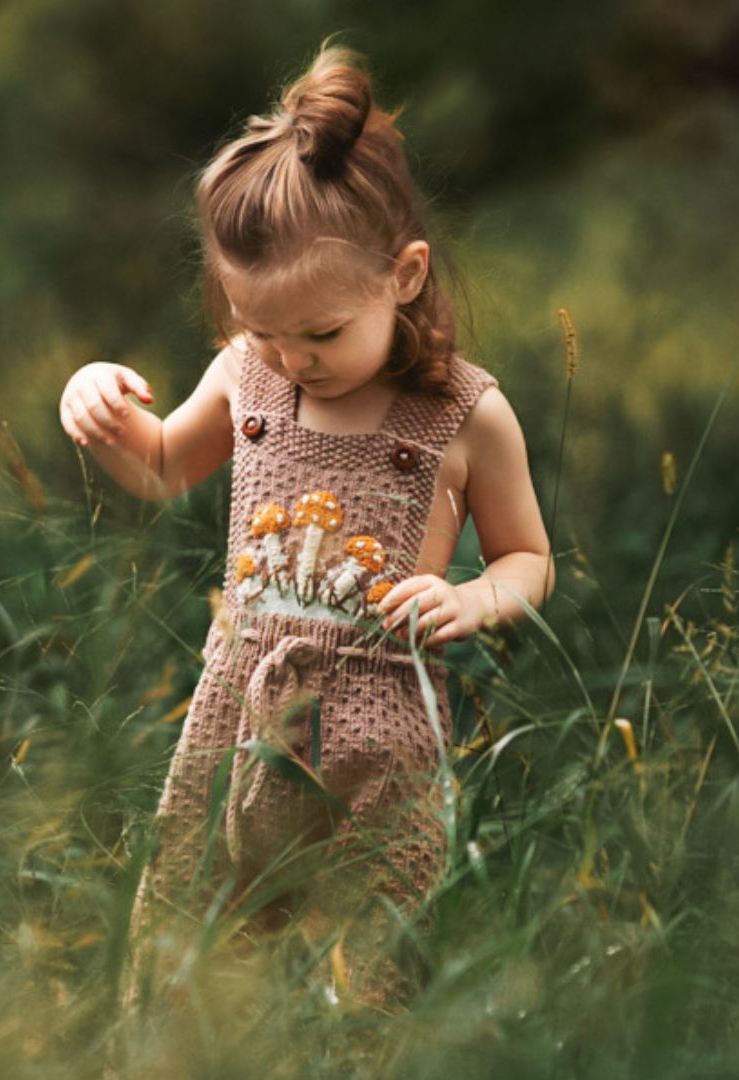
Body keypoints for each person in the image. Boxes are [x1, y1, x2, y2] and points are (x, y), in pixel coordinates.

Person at [59, 44, 553, 1014]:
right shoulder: (247, 376)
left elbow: (528, 558)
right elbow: (161, 465)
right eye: (263, 328)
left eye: (320, 334)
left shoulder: (465, 416)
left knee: (378, 954)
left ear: (404, 274)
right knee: (191, 922)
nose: (292, 359)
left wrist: (471, 599)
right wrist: (97, 404)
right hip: (240, 704)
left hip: (386, 727)